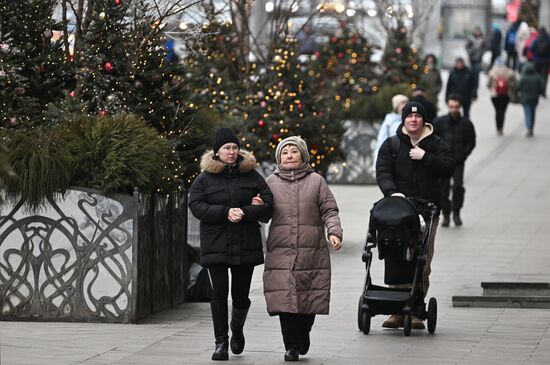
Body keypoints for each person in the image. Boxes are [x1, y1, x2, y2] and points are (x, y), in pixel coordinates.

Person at [189, 127, 273, 361]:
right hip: (216, 242)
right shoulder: (204, 178)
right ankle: (220, 342)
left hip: (245, 242)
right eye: (227, 148)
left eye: (235, 147)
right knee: (219, 293)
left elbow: (268, 203)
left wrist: (246, 211)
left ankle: (237, 329)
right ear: (217, 152)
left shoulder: (252, 175)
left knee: (240, 296)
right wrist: (225, 212)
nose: (232, 152)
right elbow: (195, 205)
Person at [262, 136, 343, 362]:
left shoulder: (316, 181)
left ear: (303, 156)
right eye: (284, 152)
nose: (289, 155)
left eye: (293, 151)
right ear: (279, 158)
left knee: (309, 297)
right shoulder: (270, 182)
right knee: (285, 300)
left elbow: (329, 209)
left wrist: (334, 232)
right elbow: (263, 213)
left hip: (311, 250)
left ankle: (303, 333)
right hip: (281, 250)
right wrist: (256, 206)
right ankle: (291, 346)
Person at [376, 102, 454, 330]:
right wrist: (392, 192)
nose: (413, 120)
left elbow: (449, 167)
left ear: (424, 120)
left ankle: (417, 310)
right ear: (403, 120)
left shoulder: (436, 144)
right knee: (395, 254)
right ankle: (396, 311)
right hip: (398, 211)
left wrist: (425, 157)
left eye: (418, 116)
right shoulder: (392, 144)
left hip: (427, 210)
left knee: (422, 260)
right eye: (409, 117)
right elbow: (382, 171)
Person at [433, 95, 476, 227]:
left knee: (458, 187)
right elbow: (433, 139)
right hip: (443, 161)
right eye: (451, 107)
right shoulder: (440, 122)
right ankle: (446, 214)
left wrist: (464, 155)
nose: (454, 109)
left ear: (460, 107)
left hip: (458, 161)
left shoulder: (466, 123)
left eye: (456, 107)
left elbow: (471, 141)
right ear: (448, 106)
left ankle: (456, 211)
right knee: (443, 189)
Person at [373, 94, 409, 166]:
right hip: (394, 156)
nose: (405, 105)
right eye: (402, 102)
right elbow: (382, 140)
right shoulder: (389, 121)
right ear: (396, 106)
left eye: (406, 102)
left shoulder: (411, 119)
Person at [486, 57, 517, 135]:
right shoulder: (509, 71)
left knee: (497, 111)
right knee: (502, 112)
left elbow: (488, 84)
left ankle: (498, 128)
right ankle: (501, 128)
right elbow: (515, 82)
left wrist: (492, 87)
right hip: (506, 95)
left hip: (495, 95)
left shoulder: (492, 72)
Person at [517, 62, 545, 137]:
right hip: (534, 99)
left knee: (527, 113)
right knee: (532, 113)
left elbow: (518, 87)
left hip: (525, 99)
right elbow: (542, 88)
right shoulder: (537, 77)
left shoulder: (523, 77)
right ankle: (531, 128)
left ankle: (529, 128)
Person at [465, 26, 487, 90]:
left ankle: (476, 85)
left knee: (476, 72)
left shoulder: (482, 39)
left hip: (478, 59)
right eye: (476, 31)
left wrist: (482, 53)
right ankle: (470, 84)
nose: (477, 32)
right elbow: (466, 46)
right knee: (471, 72)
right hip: (471, 58)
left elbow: (486, 47)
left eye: (478, 31)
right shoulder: (471, 38)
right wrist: (470, 52)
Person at [530, 27, 550, 95]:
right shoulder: (548, 39)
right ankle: (543, 91)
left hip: (536, 60)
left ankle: (537, 90)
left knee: (536, 75)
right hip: (546, 61)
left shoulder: (537, 39)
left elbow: (531, 48)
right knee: (544, 77)